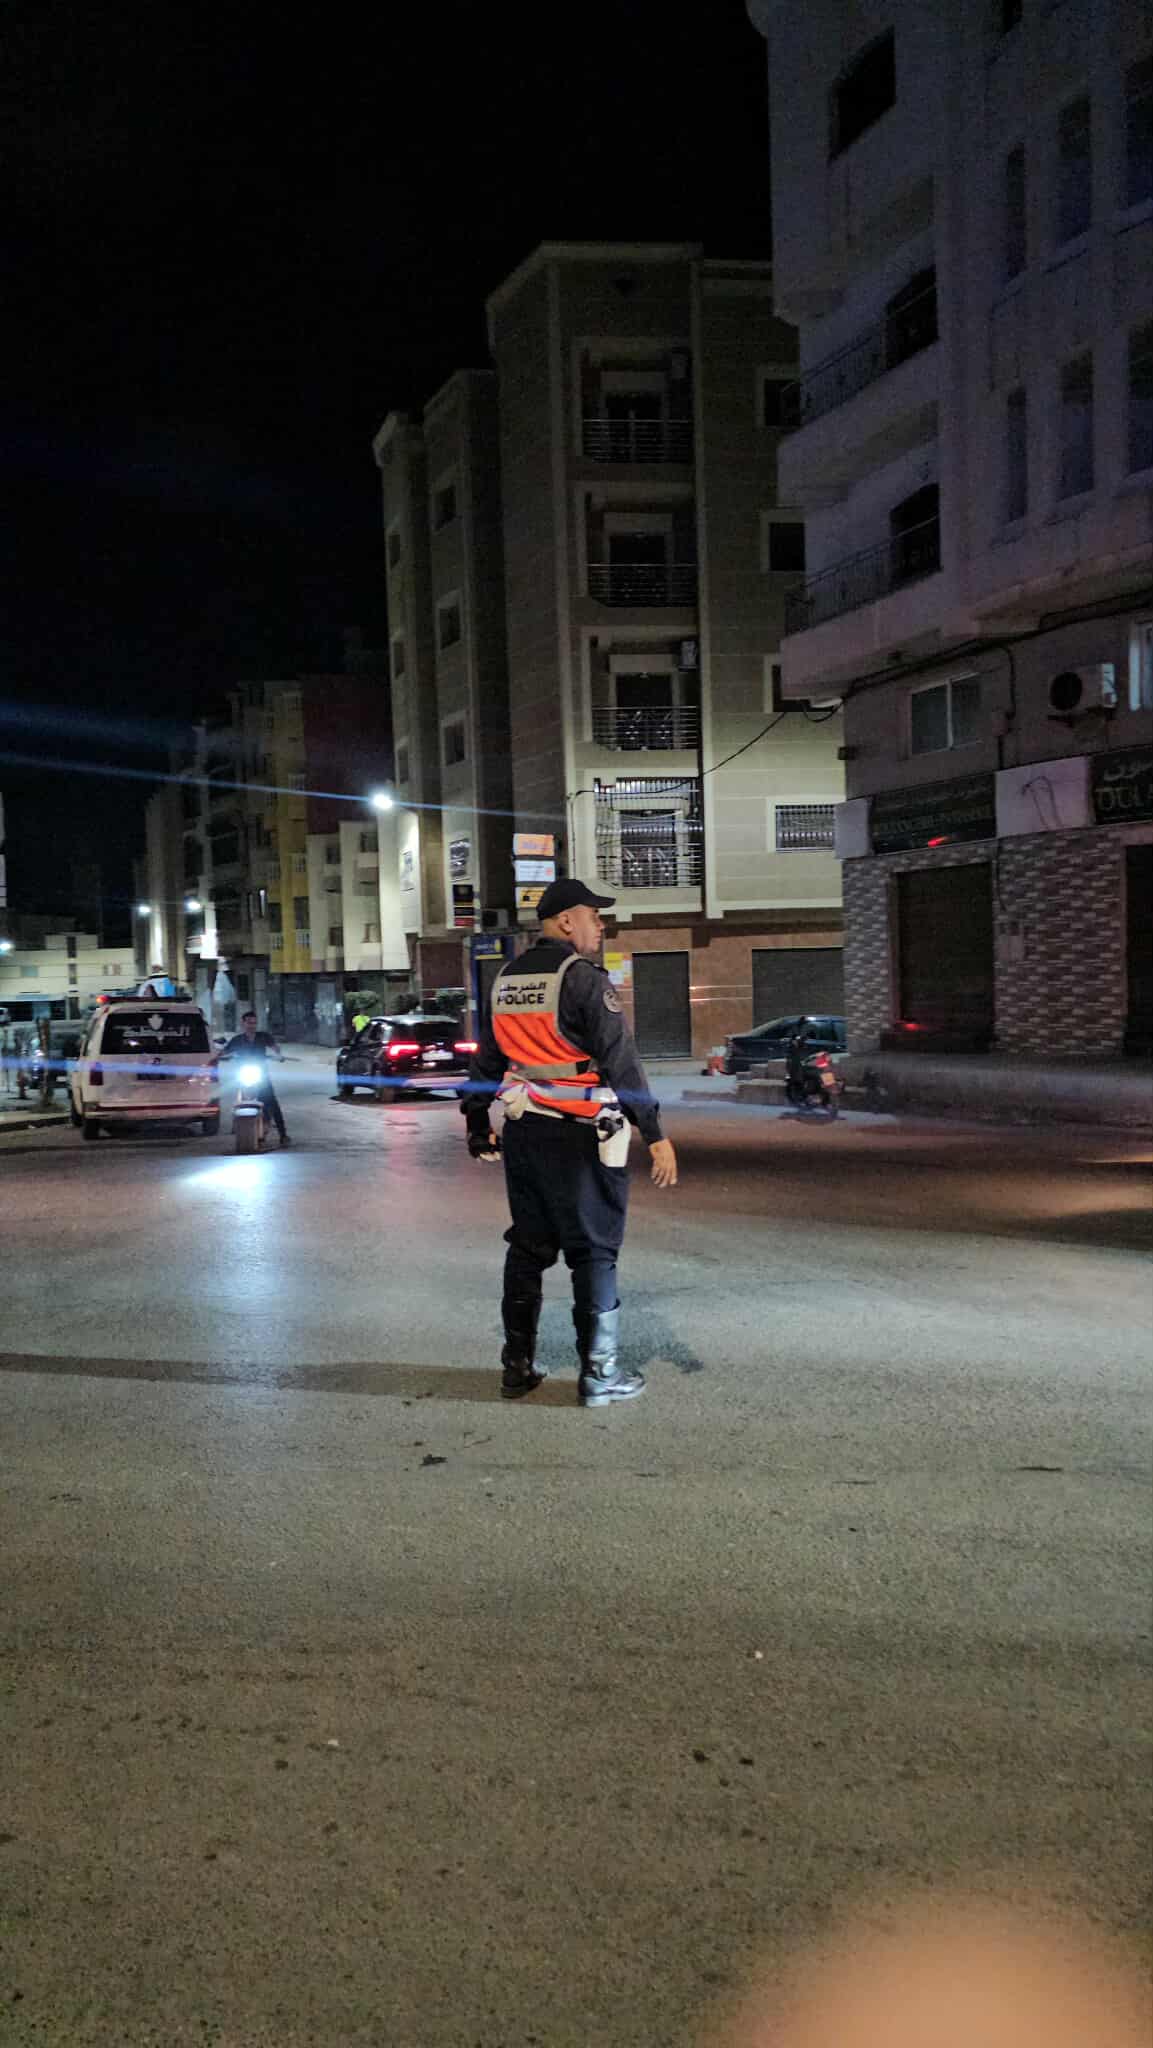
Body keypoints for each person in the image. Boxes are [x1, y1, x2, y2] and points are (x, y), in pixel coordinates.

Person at [463, 879, 678, 1406]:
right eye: (593, 916)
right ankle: (599, 1375)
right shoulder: (582, 979)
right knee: (593, 1250)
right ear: (565, 922)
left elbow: (486, 1060)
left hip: (524, 1133)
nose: (600, 926)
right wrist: (654, 1133)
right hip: (581, 1134)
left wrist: (476, 1121)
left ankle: (516, 1368)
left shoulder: (506, 980)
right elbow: (622, 1061)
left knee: (529, 1246)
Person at [211, 1011, 290, 1144]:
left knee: (272, 1103)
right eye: (249, 1023)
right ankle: (238, 1125)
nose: (252, 1026)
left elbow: (275, 1047)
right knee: (239, 1099)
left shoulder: (263, 1036)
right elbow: (224, 1051)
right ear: (243, 1023)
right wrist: (216, 1057)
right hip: (244, 1074)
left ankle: (283, 1134)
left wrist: (279, 1055)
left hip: (261, 1075)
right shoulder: (237, 1040)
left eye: (254, 1023)